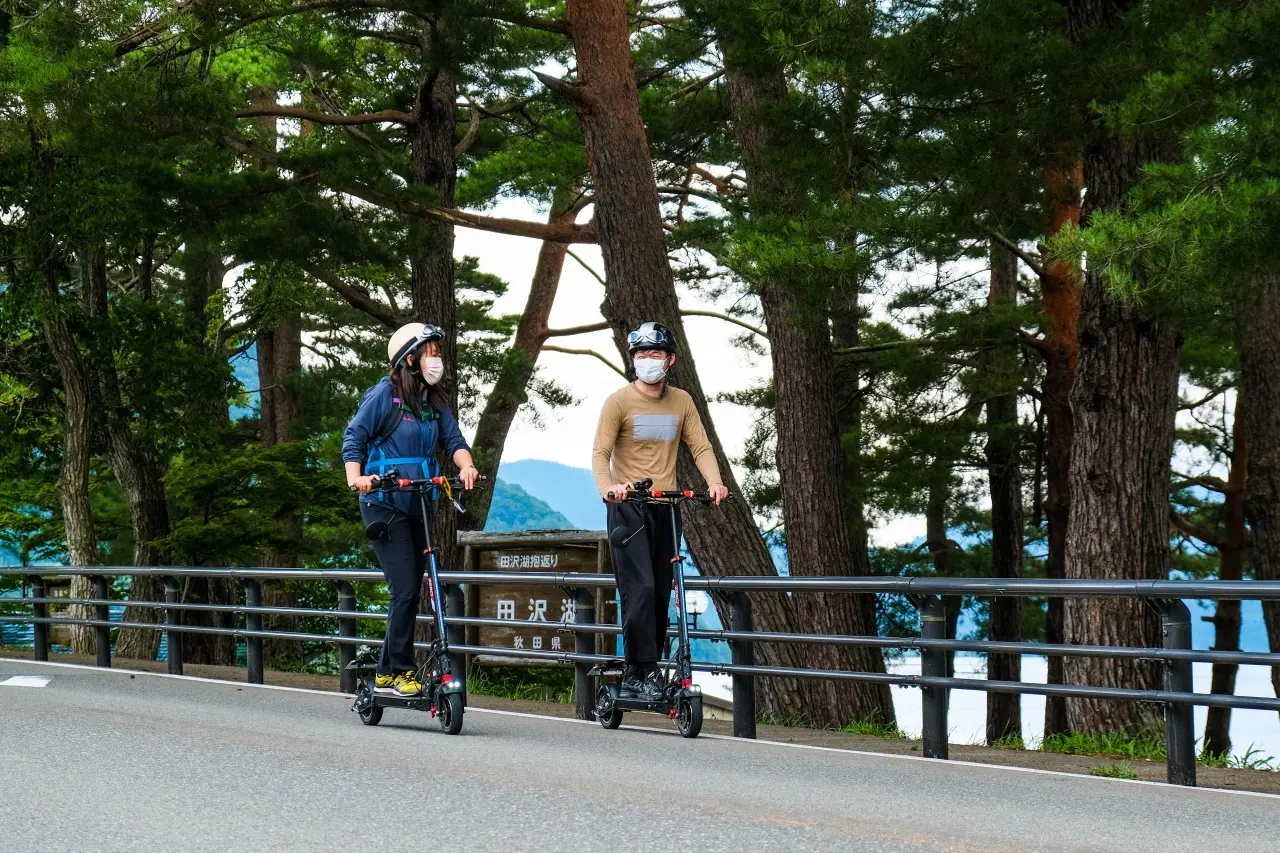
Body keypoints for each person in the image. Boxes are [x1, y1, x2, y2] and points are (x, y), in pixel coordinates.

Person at [592, 321, 728, 701]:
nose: (646, 360)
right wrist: (609, 490)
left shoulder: (682, 401)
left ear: (670, 360)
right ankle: (640, 669)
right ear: (632, 359)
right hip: (628, 508)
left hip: (667, 507)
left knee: (661, 592)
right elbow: (600, 453)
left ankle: (646, 667)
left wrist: (714, 482)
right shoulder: (618, 402)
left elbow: (699, 447)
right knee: (640, 589)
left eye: (654, 353)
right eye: (640, 354)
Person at [342, 322, 479, 697]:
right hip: (383, 502)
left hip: (419, 501)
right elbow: (354, 437)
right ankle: (398, 670)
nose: (437, 359)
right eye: (430, 352)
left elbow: (454, 440)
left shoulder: (433, 401)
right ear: (410, 358)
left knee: (417, 586)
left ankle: (386, 670)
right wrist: (357, 478)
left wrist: (465, 465)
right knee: (404, 588)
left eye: (437, 352)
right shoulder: (384, 396)